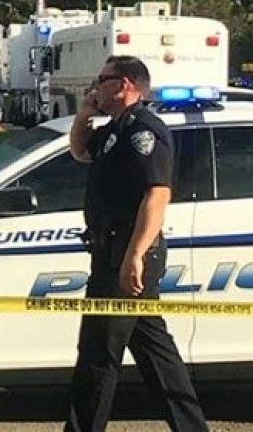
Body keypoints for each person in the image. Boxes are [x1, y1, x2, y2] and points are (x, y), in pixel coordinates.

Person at [65, 55, 208, 432]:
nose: (97, 84)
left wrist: (134, 256)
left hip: (126, 252)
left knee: (98, 352)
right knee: (153, 350)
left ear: (125, 84)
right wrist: (85, 113)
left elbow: (157, 195)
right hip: (112, 251)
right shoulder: (116, 128)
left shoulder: (144, 130)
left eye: (103, 78)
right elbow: (80, 151)